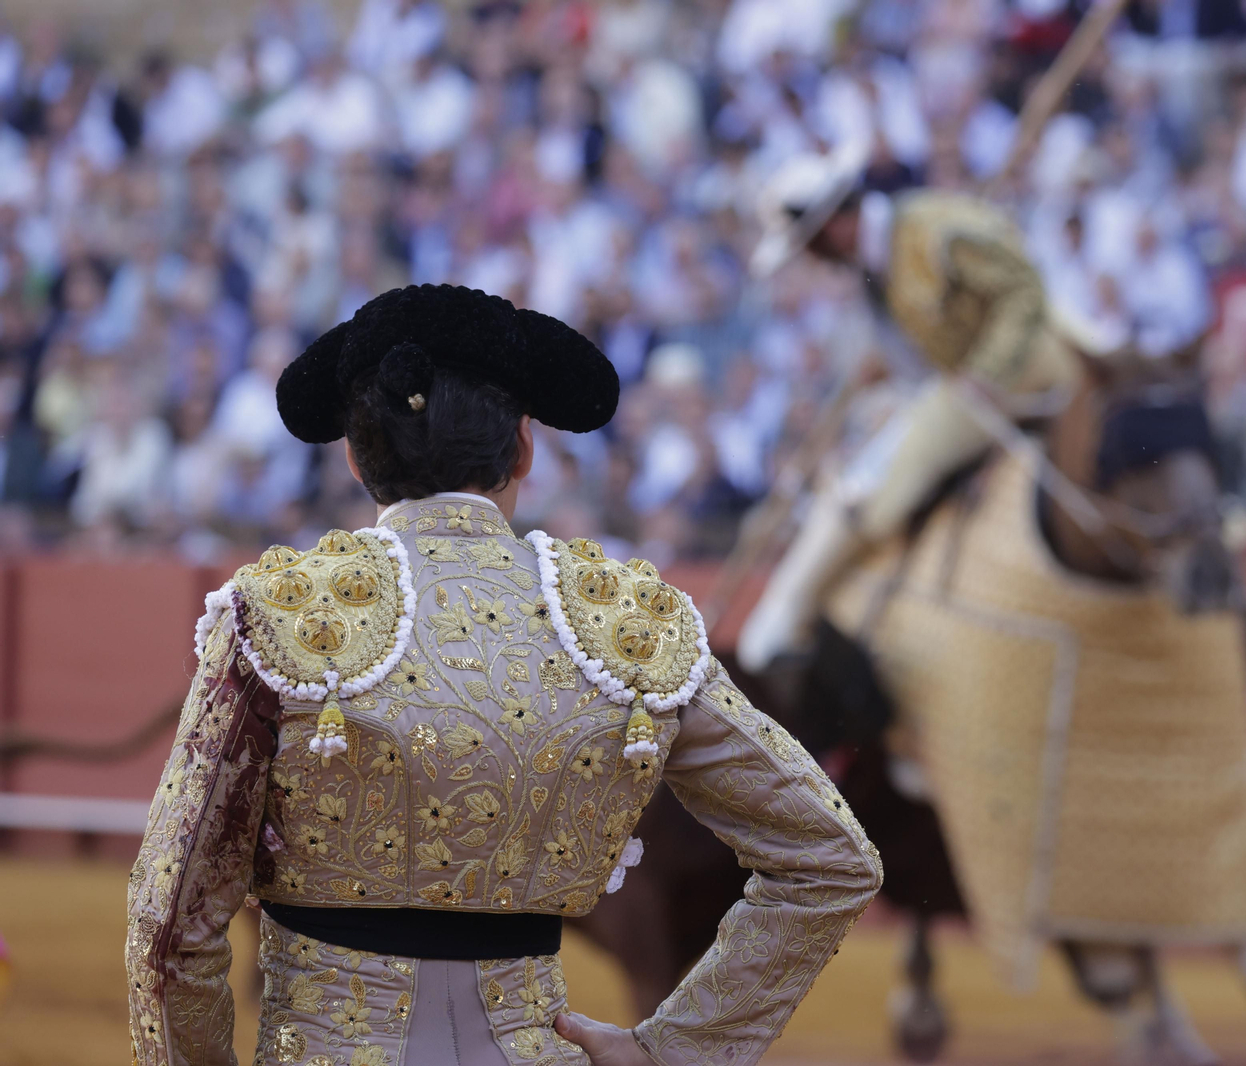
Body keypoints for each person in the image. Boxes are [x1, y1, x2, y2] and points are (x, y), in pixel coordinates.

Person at [126, 284, 882, 1066]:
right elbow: (830, 859)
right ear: (525, 445)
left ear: (354, 456)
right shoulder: (626, 624)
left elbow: (172, 926)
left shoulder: (277, 620)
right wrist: (677, 1050)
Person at [738, 151, 1080, 671]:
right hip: (973, 375)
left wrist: (985, 373)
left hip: (1013, 376)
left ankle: (794, 617)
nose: (812, 258)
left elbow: (1023, 290)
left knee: (876, 487)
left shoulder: (935, 230)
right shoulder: (894, 248)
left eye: (810, 244)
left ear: (835, 225)